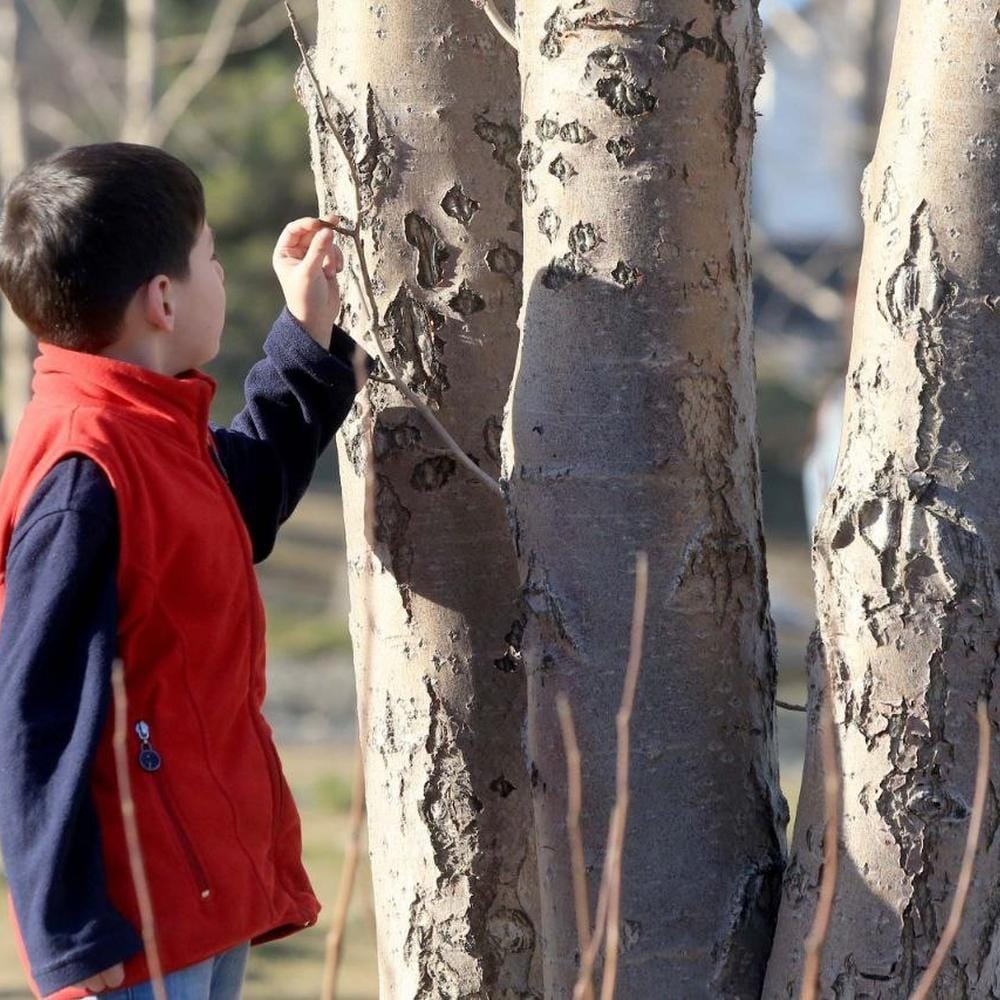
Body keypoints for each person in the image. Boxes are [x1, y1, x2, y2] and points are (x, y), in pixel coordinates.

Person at [0, 142, 374, 999]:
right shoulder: (83, 475)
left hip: (200, 890)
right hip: (130, 931)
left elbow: (233, 508)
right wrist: (71, 940)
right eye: (210, 258)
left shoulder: (149, 428)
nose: (221, 275)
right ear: (162, 300)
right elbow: (34, 721)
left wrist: (305, 336)